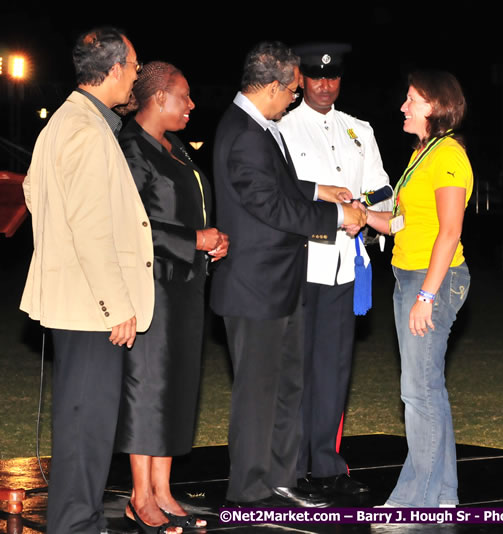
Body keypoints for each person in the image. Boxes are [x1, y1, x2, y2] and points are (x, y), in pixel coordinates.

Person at [210, 41, 366, 508]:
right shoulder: (243, 131)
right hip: (254, 287)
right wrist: (336, 217)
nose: (295, 98)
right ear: (273, 85)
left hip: (279, 283)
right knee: (258, 394)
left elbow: (277, 184)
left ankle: (280, 480)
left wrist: (320, 191)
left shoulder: (259, 125)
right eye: (293, 90)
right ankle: (251, 492)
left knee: (285, 388)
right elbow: (267, 203)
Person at [19, 27, 155, 533]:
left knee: (88, 424)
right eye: (135, 66)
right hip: (89, 307)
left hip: (77, 300)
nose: (137, 76)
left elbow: (35, 191)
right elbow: (93, 227)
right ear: (115, 69)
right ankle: (76, 524)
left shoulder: (67, 120)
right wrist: (115, 305)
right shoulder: (83, 128)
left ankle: (81, 520)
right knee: (86, 427)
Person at [115, 61, 229, 532]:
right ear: (159, 96)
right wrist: (194, 240)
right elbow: (128, 223)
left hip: (185, 287)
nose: (191, 104)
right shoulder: (128, 148)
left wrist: (212, 242)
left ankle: (163, 490)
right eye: (185, 96)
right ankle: (139, 497)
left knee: (177, 388)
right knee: (148, 390)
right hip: (151, 284)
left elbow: (191, 204)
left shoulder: (176, 146)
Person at [278, 42, 392, 496]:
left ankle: (326, 463)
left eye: (333, 76)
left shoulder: (359, 130)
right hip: (299, 265)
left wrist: (371, 216)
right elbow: (278, 195)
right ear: (301, 78)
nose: (324, 84)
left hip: (346, 266)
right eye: (315, 75)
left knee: (333, 368)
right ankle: (288, 465)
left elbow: (382, 193)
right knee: (292, 369)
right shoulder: (281, 127)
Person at [365, 71, 473, 507]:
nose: (404, 107)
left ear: (435, 105)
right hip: (410, 275)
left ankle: (418, 501)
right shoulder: (421, 155)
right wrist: (356, 213)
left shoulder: (447, 155)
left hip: (434, 279)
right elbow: (401, 223)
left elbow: (449, 232)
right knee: (428, 391)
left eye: (412, 99)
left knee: (418, 394)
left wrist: (427, 296)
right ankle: (443, 495)